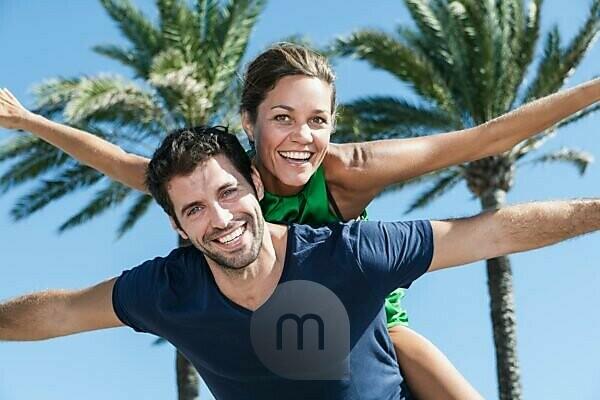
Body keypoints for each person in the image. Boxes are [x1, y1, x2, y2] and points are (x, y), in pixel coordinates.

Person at [1, 43, 599, 399]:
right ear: (250, 122)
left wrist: (591, 89)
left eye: (318, 120)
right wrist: (31, 122)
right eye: (283, 118)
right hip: (268, 333)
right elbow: (119, 161)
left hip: (369, 319)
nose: (301, 138)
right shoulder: (216, 181)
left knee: (430, 371)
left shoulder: (349, 171)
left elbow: (485, 140)